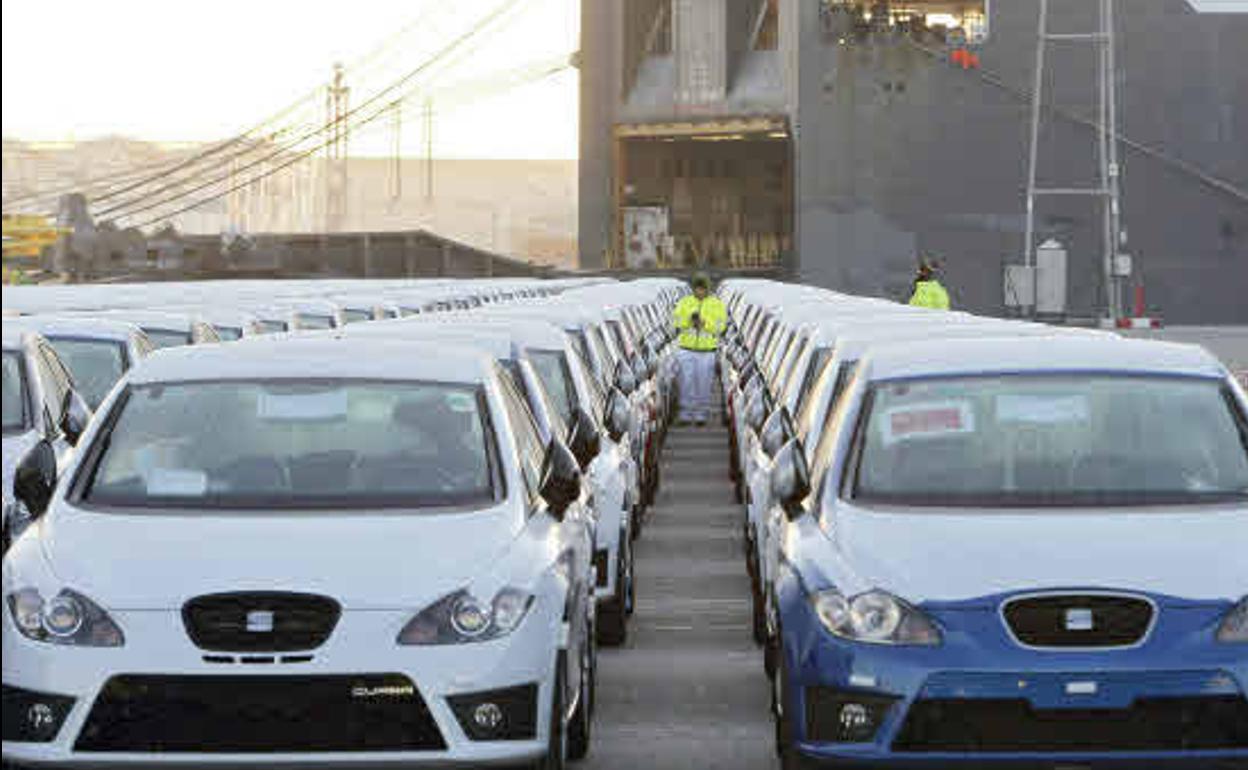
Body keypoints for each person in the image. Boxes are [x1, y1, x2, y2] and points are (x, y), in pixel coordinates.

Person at [672, 272, 727, 426]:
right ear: (693, 288)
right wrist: (689, 320)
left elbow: (720, 326)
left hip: (707, 351)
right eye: (697, 288)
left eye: (702, 288)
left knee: (704, 382)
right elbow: (676, 321)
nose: (700, 291)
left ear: (708, 288)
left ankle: (701, 413)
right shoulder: (684, 302)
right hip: (686, 349)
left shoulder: (717, 304)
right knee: (686, 382)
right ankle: (686, 414)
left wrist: (705, 323)